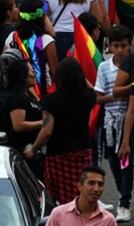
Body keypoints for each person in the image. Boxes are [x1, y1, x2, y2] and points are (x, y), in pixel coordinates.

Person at [29, 58, 96, 206]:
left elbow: (46, 131)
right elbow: (91, 88)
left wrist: (33, 149)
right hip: (83, 150)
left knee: (63, 199)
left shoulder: (52, 100)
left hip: (59, 154)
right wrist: (78, 77)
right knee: (83, 191)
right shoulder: (89, 97)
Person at [93, 24, 133, 222]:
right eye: (115, 46)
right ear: (109, 46)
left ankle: (124, 203)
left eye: (123, 46)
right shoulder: (104, 67)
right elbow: (98, 97)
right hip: (110, 123)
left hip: (130, 120)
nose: (119, 50)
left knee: (126, 162)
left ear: (129, 46)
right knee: (114, 162)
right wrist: (118, 95)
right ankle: (122, 193)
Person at [42, 166, 118, 226]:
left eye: (100, 184)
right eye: (91, 183)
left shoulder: (108, 220)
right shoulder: (58, 214)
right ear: (79, 186)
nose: (96, 189)